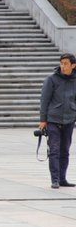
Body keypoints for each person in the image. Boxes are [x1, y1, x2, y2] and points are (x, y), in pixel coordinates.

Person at [39, 53, 76, 189]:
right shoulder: (51, 79)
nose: (63, 66)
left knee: (65, 151)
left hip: (69, 119)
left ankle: (62, 179)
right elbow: (44, 100)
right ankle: (55, 179)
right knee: (54, 150)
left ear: (73, 65)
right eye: (61, 63)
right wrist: (43, 120)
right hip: (53, 119)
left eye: (66, 64)